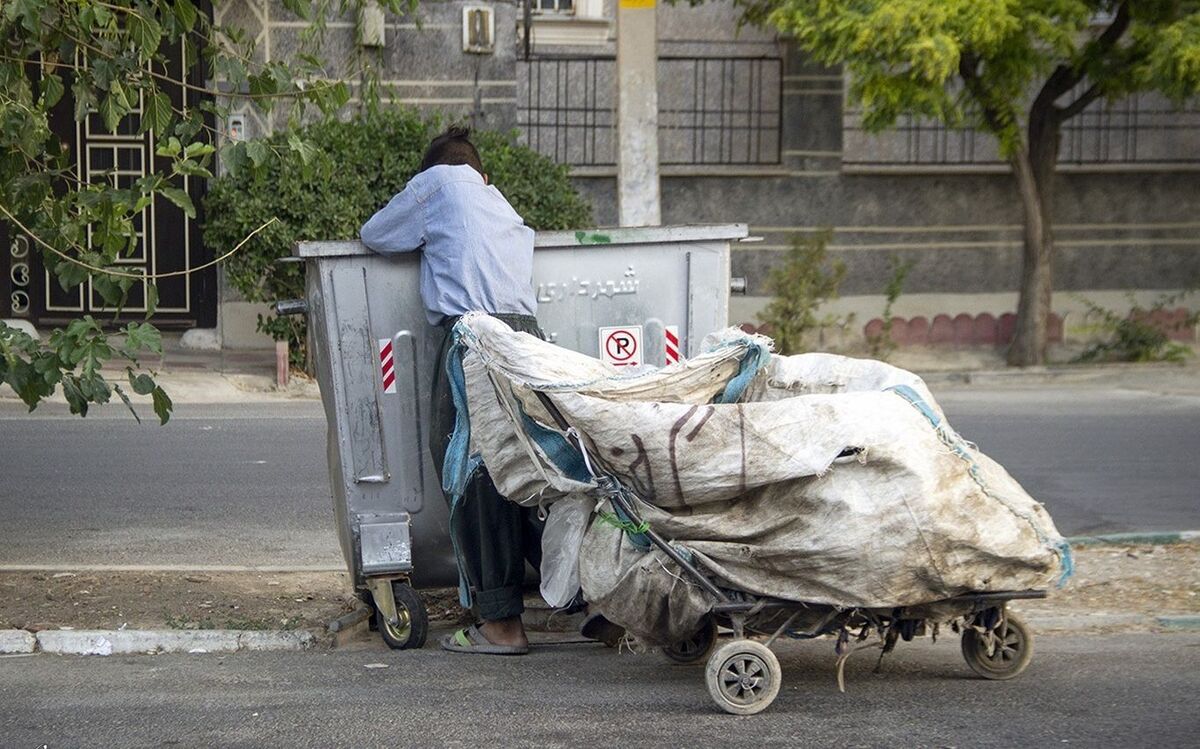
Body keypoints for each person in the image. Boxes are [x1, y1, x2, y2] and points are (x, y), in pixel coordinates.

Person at [360, 125, 545, 655]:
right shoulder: (500, 202)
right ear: (484, 173)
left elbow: (377, 233)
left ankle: (501, 623)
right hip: (528, 341)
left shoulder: (439, 183)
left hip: (476, 340)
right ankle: (593, 602)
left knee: (474, 474)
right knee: (536, 472)